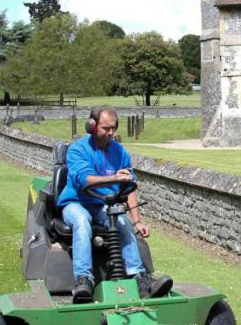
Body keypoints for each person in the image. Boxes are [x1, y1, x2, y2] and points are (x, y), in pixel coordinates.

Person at [57, 105, 173, 303]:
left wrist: (137, 221)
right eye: (105, 128)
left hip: (104, 204)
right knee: (82, 223)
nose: (110, 133)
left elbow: (128, 187)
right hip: (76, 203)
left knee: (121, 218)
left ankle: (139, 278)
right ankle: (84, 280)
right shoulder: (78, 149)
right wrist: (113, 179)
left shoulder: (119, 152)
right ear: (92, 127)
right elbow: (85, 180)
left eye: (113, 128)